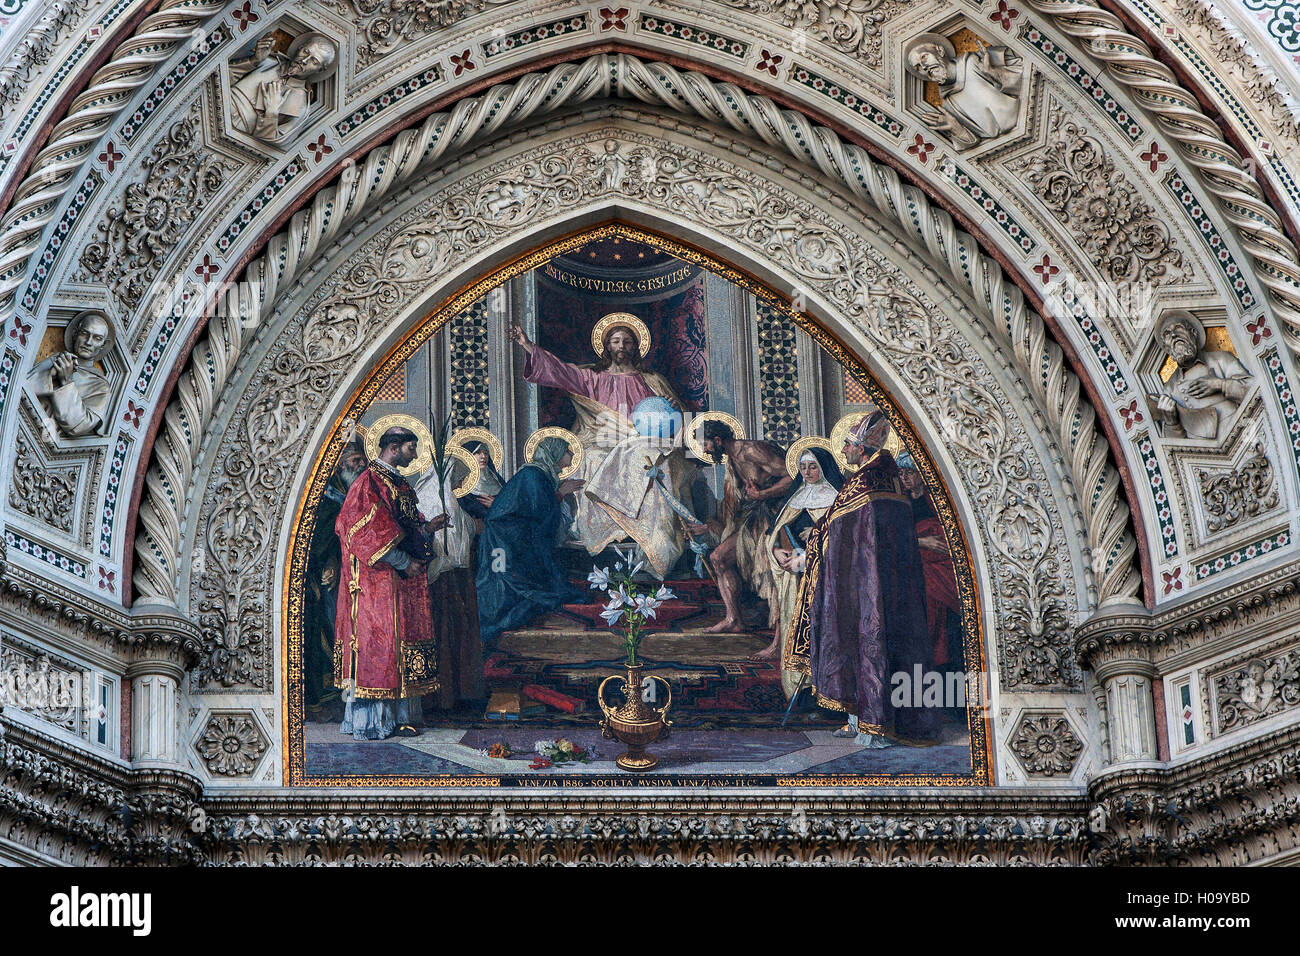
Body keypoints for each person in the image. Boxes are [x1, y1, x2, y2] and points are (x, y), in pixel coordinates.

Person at [784, 412, 939, 747]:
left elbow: (839, 533)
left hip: (860, 584)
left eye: (849, 444)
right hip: (887, 584)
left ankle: (872, 724)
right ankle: (870, 720)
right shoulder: (889, 478)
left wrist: (814, 544)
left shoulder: (863, 481)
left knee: (863, 641)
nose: (843, 448)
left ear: (863, 450)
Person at [510, 315, 692, 575]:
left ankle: (651, 541)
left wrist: (671, 408)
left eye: (628, 341)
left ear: (635, 346)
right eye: (616, 341)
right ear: (607, 346)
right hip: (600, 438)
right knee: (592, 457)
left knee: (650, 458)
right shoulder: (592, 378)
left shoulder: (652, 380)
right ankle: (608, 535)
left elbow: (678, 418)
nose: (622, 346)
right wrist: (528, 345)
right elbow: (561, 371)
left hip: (643, 440)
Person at [334, 426, 447, 740]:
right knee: (379, 648)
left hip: (400, 584)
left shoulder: (402, 485)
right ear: (394, 447)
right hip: (375, 583)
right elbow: (361, 533)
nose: (416, 454)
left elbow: (409, 530)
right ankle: (373, 722)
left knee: (400, 647)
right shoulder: (368, 482)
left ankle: (400, 718)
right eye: (412, 447)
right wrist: (402, 561)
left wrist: (427, 529)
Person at [476, 436, 587, 643]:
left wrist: (559, 492)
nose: (571, 455)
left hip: (511, 536)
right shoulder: (533, 475)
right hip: (504, 539)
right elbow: (538, 512)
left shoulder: (541, 474)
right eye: (567, 451)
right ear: (554, 453)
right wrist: (561, 493)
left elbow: (535, 509)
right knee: (506, 582)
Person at [685, 419, 792, 634]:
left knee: (770, 573)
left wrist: (763, 494)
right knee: (718, 558)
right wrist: (709, 527)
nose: (705, 450)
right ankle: (734, 619)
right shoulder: (732, 460)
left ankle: (781, 634)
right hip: (753, 519)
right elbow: (733, 505)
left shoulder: (752, 450)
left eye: (705, 444)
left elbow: (793, 475)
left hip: (775, 520)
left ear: (717, 440)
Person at [763, 446, 843, 696]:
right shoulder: (795, 498)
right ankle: (799, 690)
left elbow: (844, 542)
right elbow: (772, 536)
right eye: (803, 467)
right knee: (795, 631)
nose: (807, 472)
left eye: (813, 466)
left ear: (824, 468)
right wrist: (776, 552)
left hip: (824, 579)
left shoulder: (837, 499)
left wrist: (808, 557)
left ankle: (827, 692)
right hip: (794, 582)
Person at [415, 451, 485, 712]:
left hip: (456, 577)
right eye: (454, 475)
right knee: (444, 634)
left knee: (457, 633)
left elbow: (469, 530)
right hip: (441, 581)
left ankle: (457, 694)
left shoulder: (450, 501)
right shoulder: (430, 500)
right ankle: (442, 697)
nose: (458, 480)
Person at [304, 434, 367, 717]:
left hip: (349, 572)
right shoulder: (327, 496)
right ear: (340, 464)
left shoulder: (357, 491)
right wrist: (321, 568)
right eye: (355, 461)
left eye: (362, 461)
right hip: (323, 577)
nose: (360, 465)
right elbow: (318, 540)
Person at [897, 451, 961, 669]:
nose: (905, 478)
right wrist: (921, 542)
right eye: (902, 473)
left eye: (910, 473)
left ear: (921, 473)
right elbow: (896, 536)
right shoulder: (901, 501)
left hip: (941, 565)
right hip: (917, 565)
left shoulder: (937, 498)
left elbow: (950, 533)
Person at [1146, 310, 1251, 441]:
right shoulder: (1170, 388)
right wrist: (1171, 422)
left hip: (1241, 436)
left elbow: (1253, 391)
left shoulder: (1221, 360)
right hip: (1207, 454)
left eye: (1178, 328)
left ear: (1193, 333)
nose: (1173, 335)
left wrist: (1219, 384)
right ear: (1166, 348)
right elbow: (1174, 449)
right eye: (1167, 334)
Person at [905, 33, 1022, 149]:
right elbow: (973, 145)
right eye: (918, 67)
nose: (924, 67)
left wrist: (994, 73)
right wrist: (958, 130)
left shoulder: (979, 59)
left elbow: (1029, 74)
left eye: (924, 57)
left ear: (940, 51)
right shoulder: (948, 105)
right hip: (1004, 147)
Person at [229, 32, 335, 142]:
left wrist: (271, 112)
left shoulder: (301, 106)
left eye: (314, 61)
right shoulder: (267, 61)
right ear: (300, 48)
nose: (304, 60)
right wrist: (253, 61)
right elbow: (221, 74)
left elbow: (270, 144)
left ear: (320, 70)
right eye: (305, 52)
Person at [27, 310, 114, 437]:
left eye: (97, 338)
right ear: (75, 334)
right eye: (85, 334)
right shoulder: (56, 360)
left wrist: (66, 383)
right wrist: (50, 375)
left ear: (103, 345)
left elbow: (79, 426)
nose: (88, 342)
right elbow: (20, 387)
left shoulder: (100, 386)